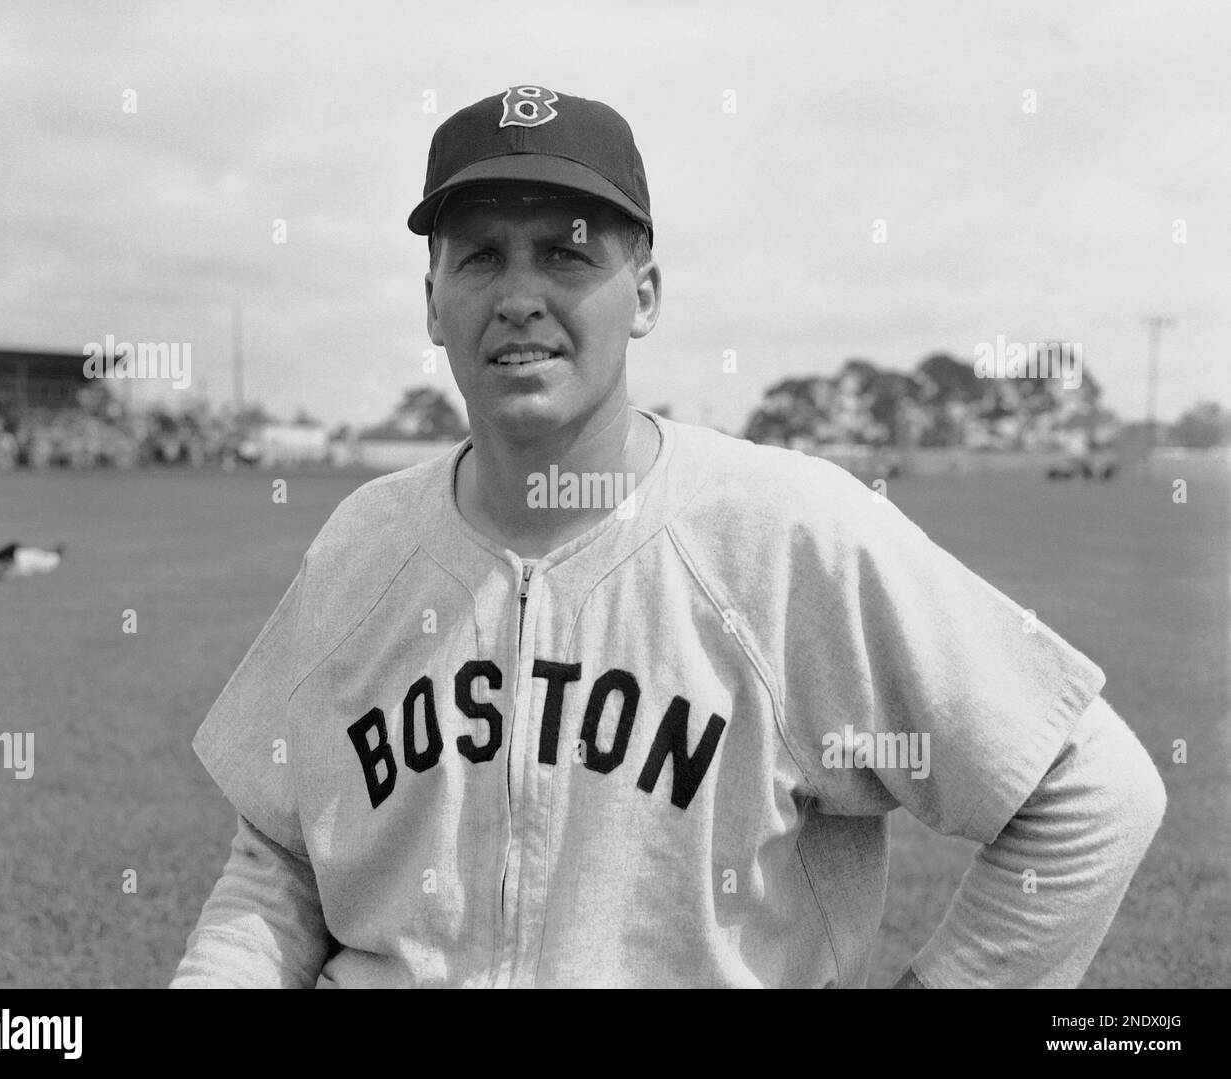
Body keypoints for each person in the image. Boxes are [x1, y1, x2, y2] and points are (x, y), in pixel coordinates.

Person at [171, 86, 1166, 989]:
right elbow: (281, 859)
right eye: (479, 253)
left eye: (565, 251)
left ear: (643, 293)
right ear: (432, 299)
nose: (519, 294)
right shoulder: (364, 544)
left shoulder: (784, 532)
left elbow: (1091, 789)